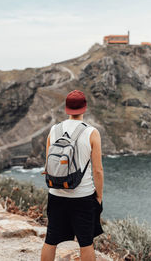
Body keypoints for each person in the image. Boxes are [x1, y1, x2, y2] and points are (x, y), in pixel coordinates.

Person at [41, 90, 104, 261]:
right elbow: (97, 170)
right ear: (84, 108)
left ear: (66, 108)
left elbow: (49, 164)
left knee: (51, 239)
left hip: (55, 194)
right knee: (86, 243)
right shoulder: (92, 132)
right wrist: (98, 196)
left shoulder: (54, 130)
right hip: (82, 195)